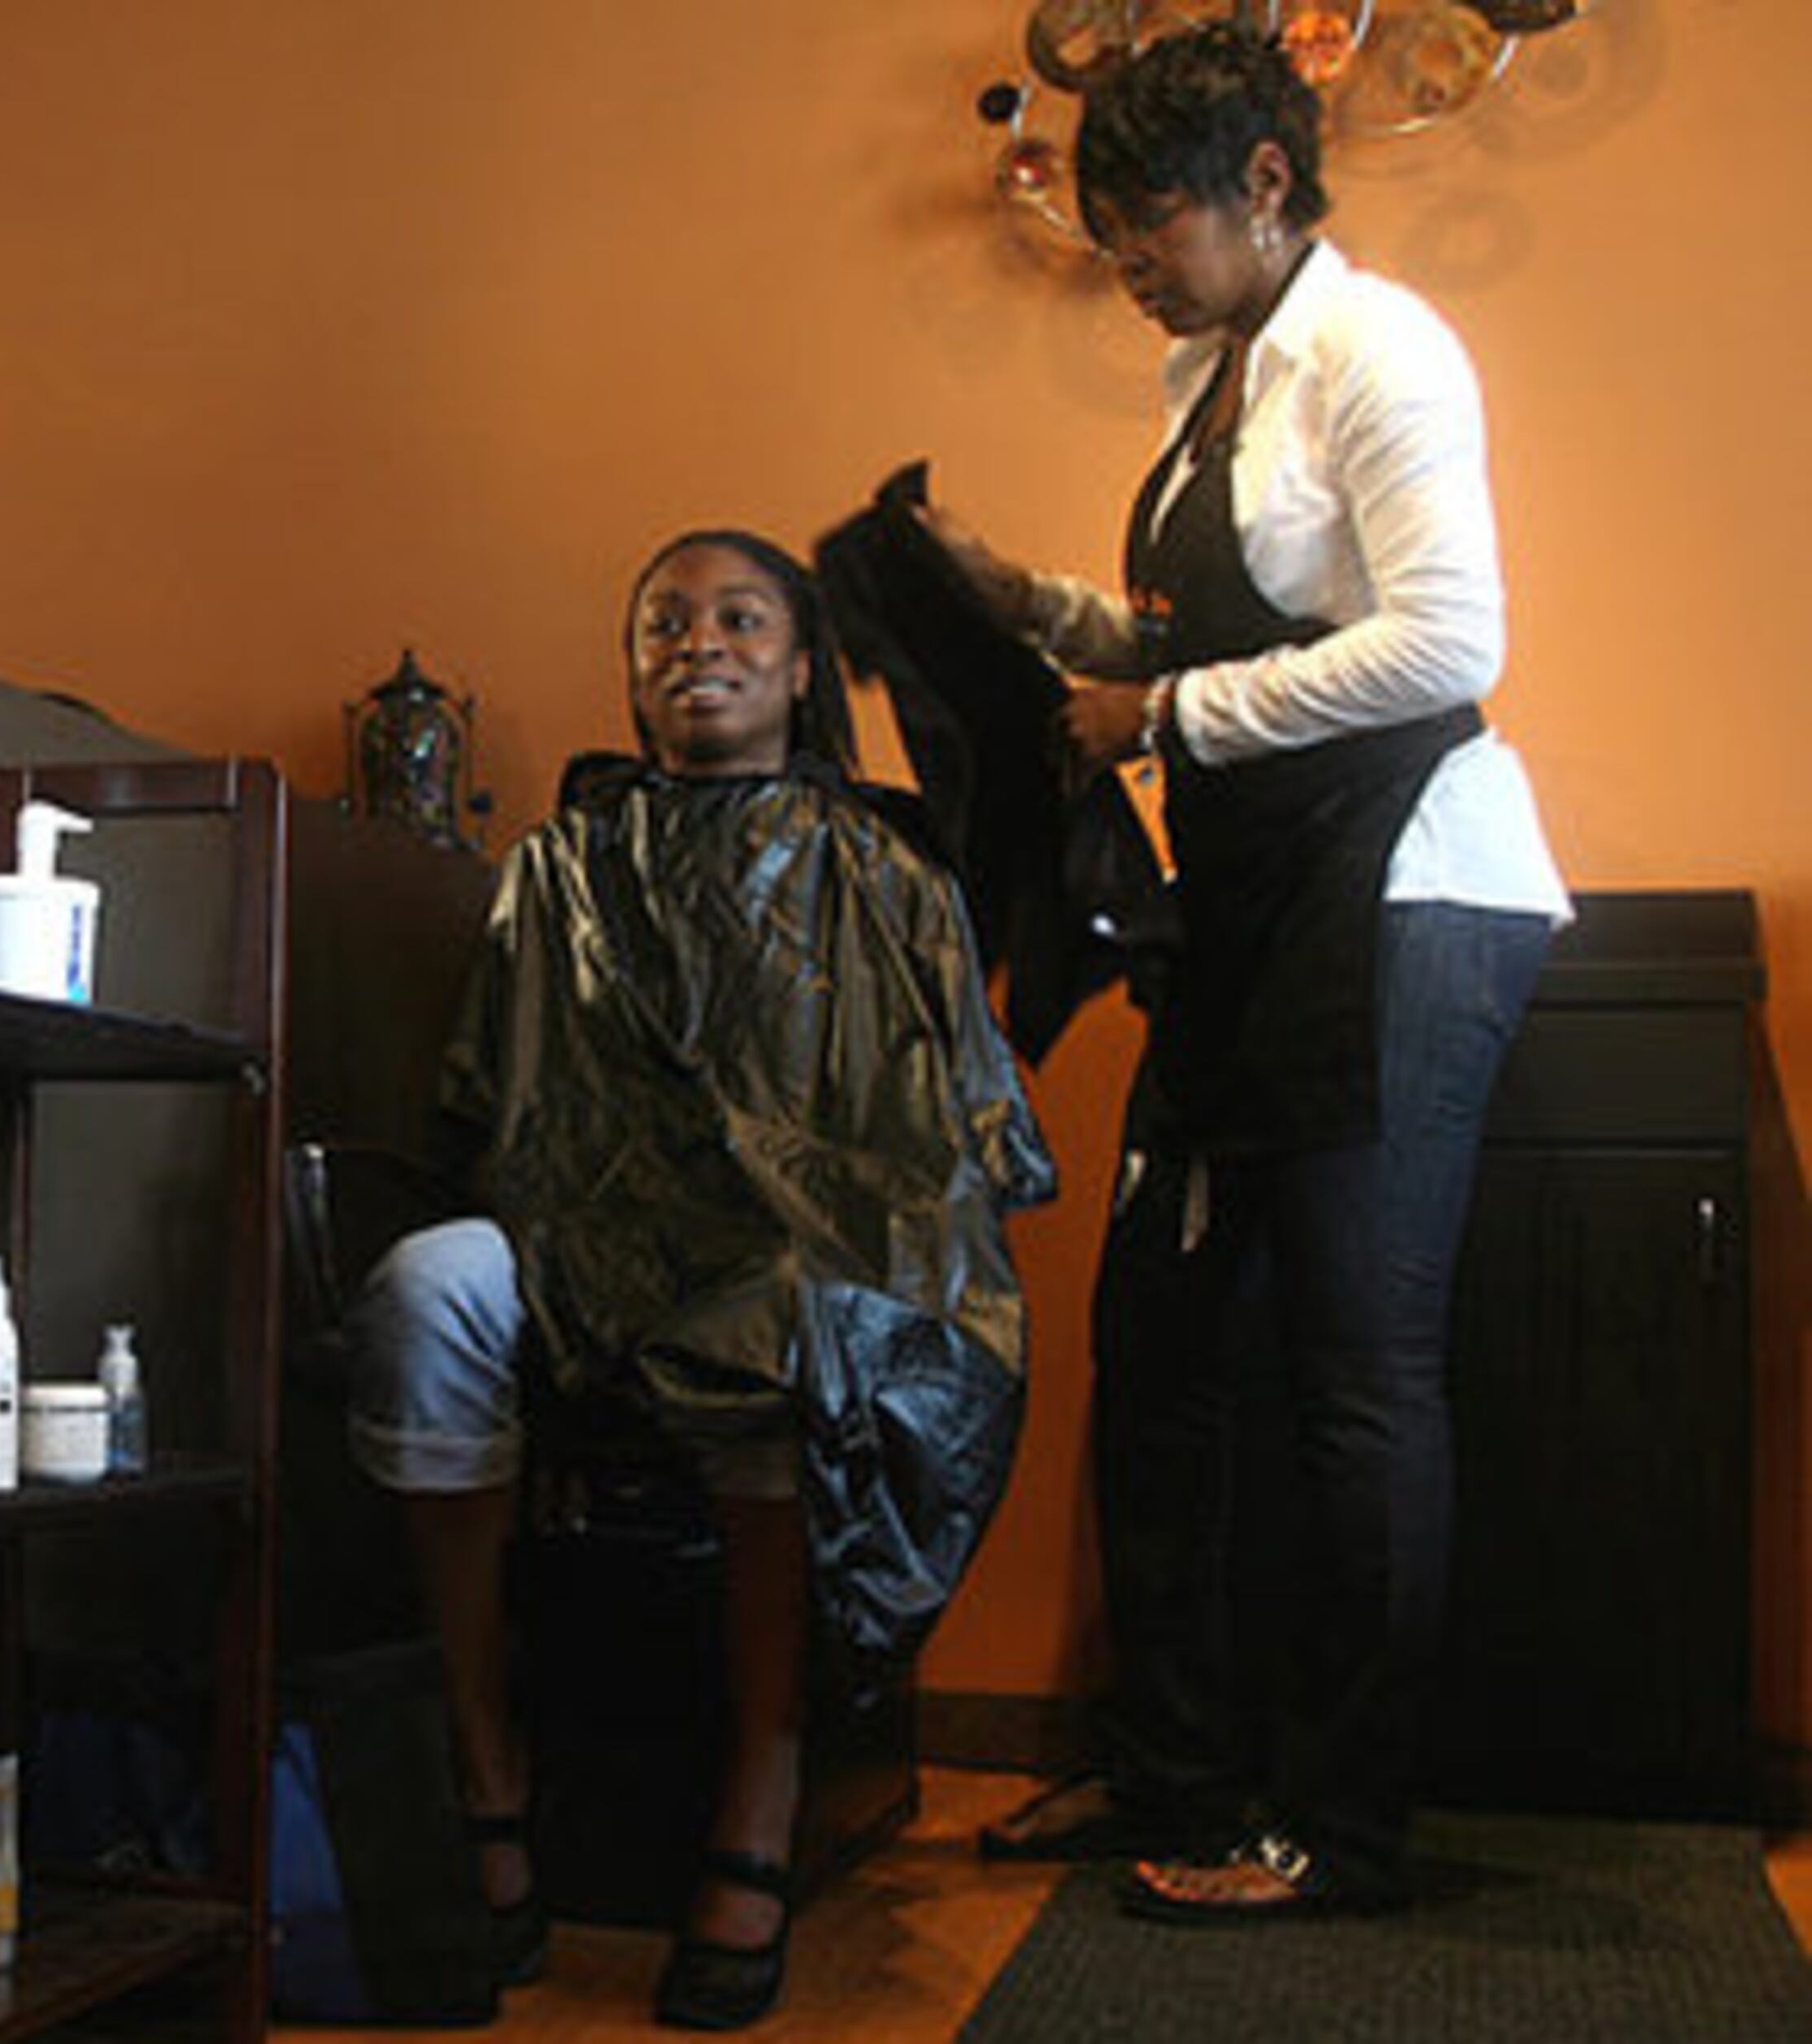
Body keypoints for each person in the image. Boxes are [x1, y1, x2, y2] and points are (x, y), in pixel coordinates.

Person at [921, 24, 1568, 1921]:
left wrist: (1167, 709)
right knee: (1166, 1357)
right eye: (1111, 220)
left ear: (1269, 185)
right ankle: (1175, 1777)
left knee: (1358, 1379)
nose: (1127, 255)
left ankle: (1344, 1835)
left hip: (1409, 900)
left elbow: (1447, 642)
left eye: (1153, 218)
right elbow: (1188, 627)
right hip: (1259, 913)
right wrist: (1023, 602)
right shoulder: (1219, 385)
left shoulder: (1382, 352)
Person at [346, 530, 1054, 2028]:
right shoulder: (558, 868)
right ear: (633, 670)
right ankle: (490, 1766)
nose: (699, 642)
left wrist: (810, 1231)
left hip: (799, 1275)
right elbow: (496, 1112)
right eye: (662, 621)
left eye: (741, 618)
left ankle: (767, 1767)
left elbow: (937, 1142)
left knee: (783, 1321)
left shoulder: (885, 868)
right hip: (583, 1253)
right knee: (420, 1293)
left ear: (803, 669)